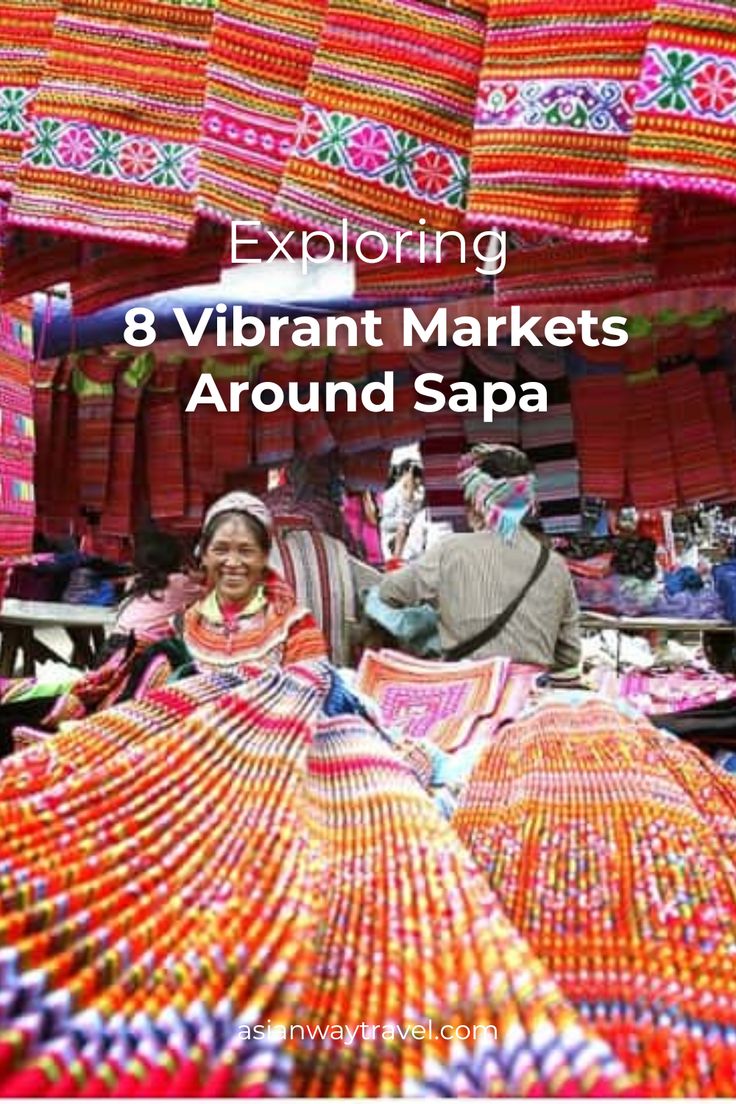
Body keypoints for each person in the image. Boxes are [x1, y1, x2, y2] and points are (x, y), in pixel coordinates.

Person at [378, 444, 580, 669]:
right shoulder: (555, 565)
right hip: (528, 693)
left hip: (466, 692)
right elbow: (569, 655)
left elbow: (388, 593)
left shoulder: (451, 551)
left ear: (478, 501)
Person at [379, 459, 425, 561]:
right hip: (394, 540)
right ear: (405, 473)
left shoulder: (421, 494)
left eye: (420, 475)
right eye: (415, 474)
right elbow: (384, 523)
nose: (418, 479)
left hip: (416, 540)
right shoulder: (391, 494)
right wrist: (403, 522)